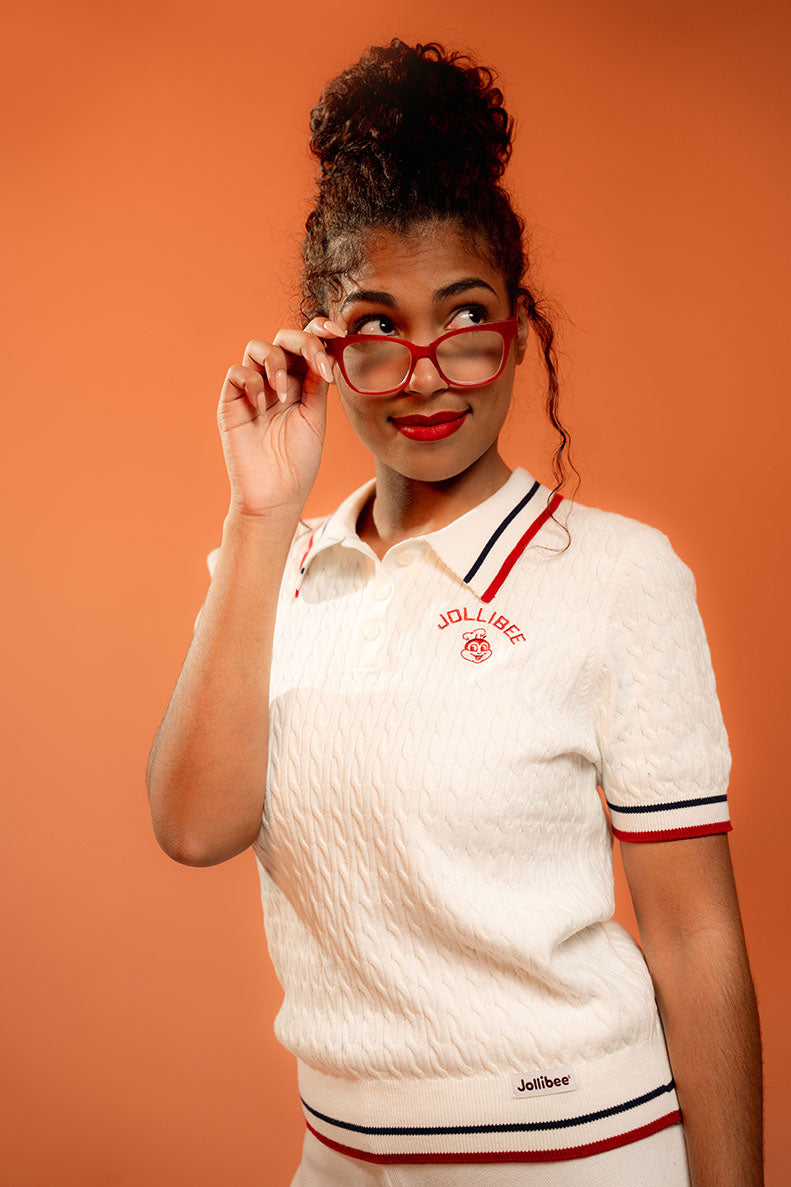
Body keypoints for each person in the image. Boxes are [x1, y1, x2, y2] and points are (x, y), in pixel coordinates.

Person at [145, 38, 764, 1186]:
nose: (426, 373)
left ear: (518, 333)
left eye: (463, 318)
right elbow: (193, 825)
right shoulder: (273, 564)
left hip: (575, 1153)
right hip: (338, 1154)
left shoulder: (618, 574)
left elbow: (694, 936)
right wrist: (257, 514)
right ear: (326, 348)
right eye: (379, 328)